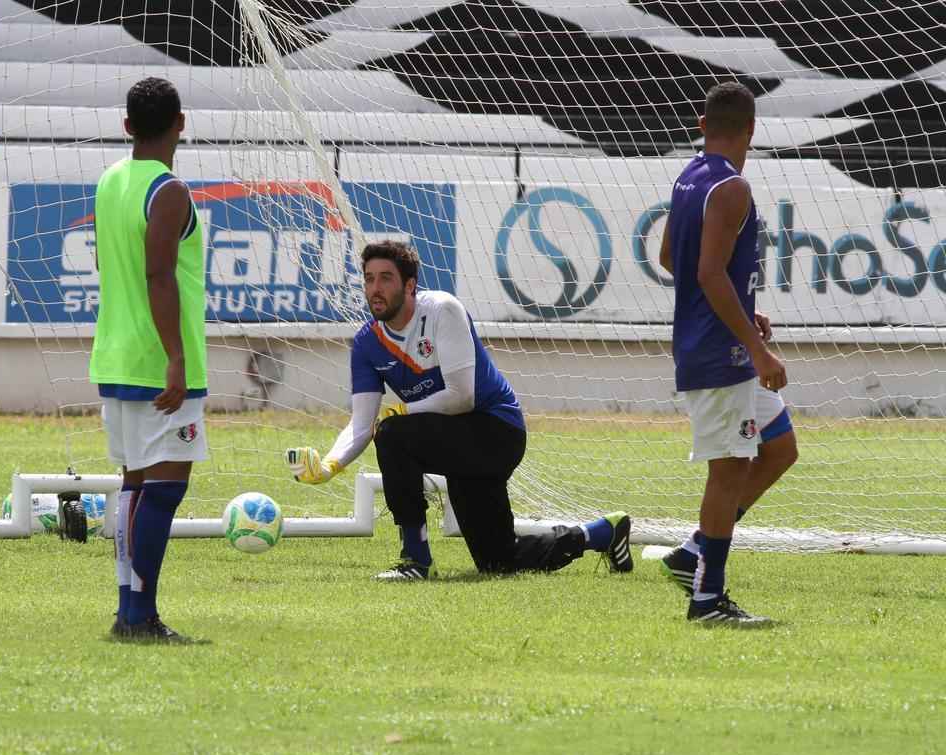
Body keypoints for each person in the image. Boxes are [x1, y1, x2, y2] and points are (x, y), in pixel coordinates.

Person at [286, 240, 634, 579]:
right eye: (369, 278)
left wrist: (403, 412)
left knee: (392, 434)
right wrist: (329, 465)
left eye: (386, 278)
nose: (375, 288)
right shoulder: (366, 343)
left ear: (410, 285)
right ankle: (602, 533)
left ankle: (416, 560)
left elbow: (461, 397)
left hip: (495, 431)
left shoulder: (441, 310)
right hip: (453, 442)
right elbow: (361, 424)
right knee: (499, 560)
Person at [657, 81, 797, 626]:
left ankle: (694, 553)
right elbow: (707, 271)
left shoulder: (688, 177)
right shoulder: (733, 187)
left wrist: (742, 310)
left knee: (780, 449)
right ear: (752, 130)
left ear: (701, 125)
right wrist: (756, 346)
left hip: (719, 344)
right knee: (729, 469)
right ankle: (707, 599)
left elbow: (670, 257)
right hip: (720, 355)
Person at [89, 77, 207, 642]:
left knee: (134, 485)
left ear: (127, 126)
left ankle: (126, 610)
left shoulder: (110, 181)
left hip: (114, 354)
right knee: (163, 488)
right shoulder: (169, 191)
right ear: (180, 123)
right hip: (154, 363)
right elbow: (159, 275)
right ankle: (142, 615)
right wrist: (177, 358)